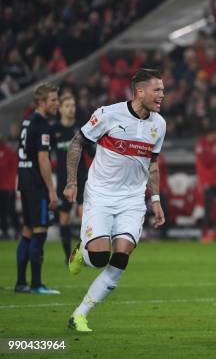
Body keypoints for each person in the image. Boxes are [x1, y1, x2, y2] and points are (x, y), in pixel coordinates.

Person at [64, 69, 166, 332]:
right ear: (140, 92)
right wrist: (72, 182)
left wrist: (155, 199)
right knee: (99, 258)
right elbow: (77, 143)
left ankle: (80, 314)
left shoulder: (159, 124)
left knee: (121, 256)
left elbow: (152, 163)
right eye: (157, 90)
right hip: (100, 195)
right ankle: (81, 253)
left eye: (163, 90)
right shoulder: (108, 114)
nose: (162, 95)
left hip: (132, 199)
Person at [15, 84, 60, 294]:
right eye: (53, 100)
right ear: (42, 102)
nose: (56, 104)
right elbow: (43, 159)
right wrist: (51, 190)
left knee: (27, 230)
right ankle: (36, 284)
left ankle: (21, 283)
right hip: (36, 184)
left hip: (24, 180)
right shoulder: (42, 125)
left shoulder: (27, 121)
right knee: (40, 230)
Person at [52, 93, 92, 263]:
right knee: (64, 218)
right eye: (67, 106)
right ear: (60, 109)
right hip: (63, 180)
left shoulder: (80, 130)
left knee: (84, 214)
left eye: (73, 106)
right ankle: (68, 256)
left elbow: (91, 152)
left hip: (81, 178)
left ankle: (83, 252)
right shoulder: (54, 131)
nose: (71, 109)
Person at [195, 126, 216, 243]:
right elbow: (207, 162)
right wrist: (214, 153)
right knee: (208, 207)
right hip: (206, 180)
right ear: (211, 133)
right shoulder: (201, 145)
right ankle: (205, 234)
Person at [0, 135, 19, 239]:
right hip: (2, 187)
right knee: (2, 211)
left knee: (10, 210)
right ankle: (4, 231)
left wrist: (11, 184)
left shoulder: (8, 151)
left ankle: (17, 229)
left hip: (7, 187)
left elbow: (14, 167)